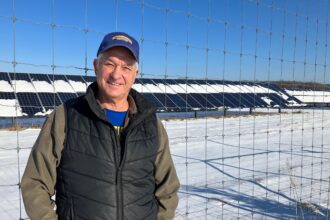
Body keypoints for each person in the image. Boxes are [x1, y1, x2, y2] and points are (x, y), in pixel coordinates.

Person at [21, 32, 180, 220]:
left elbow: (167, 190)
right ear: (96, 66)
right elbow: (35, 183)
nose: (116, 74)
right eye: (109, 63)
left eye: (126, 67)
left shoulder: (151, 124)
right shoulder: (66, 117)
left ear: (135, 74)